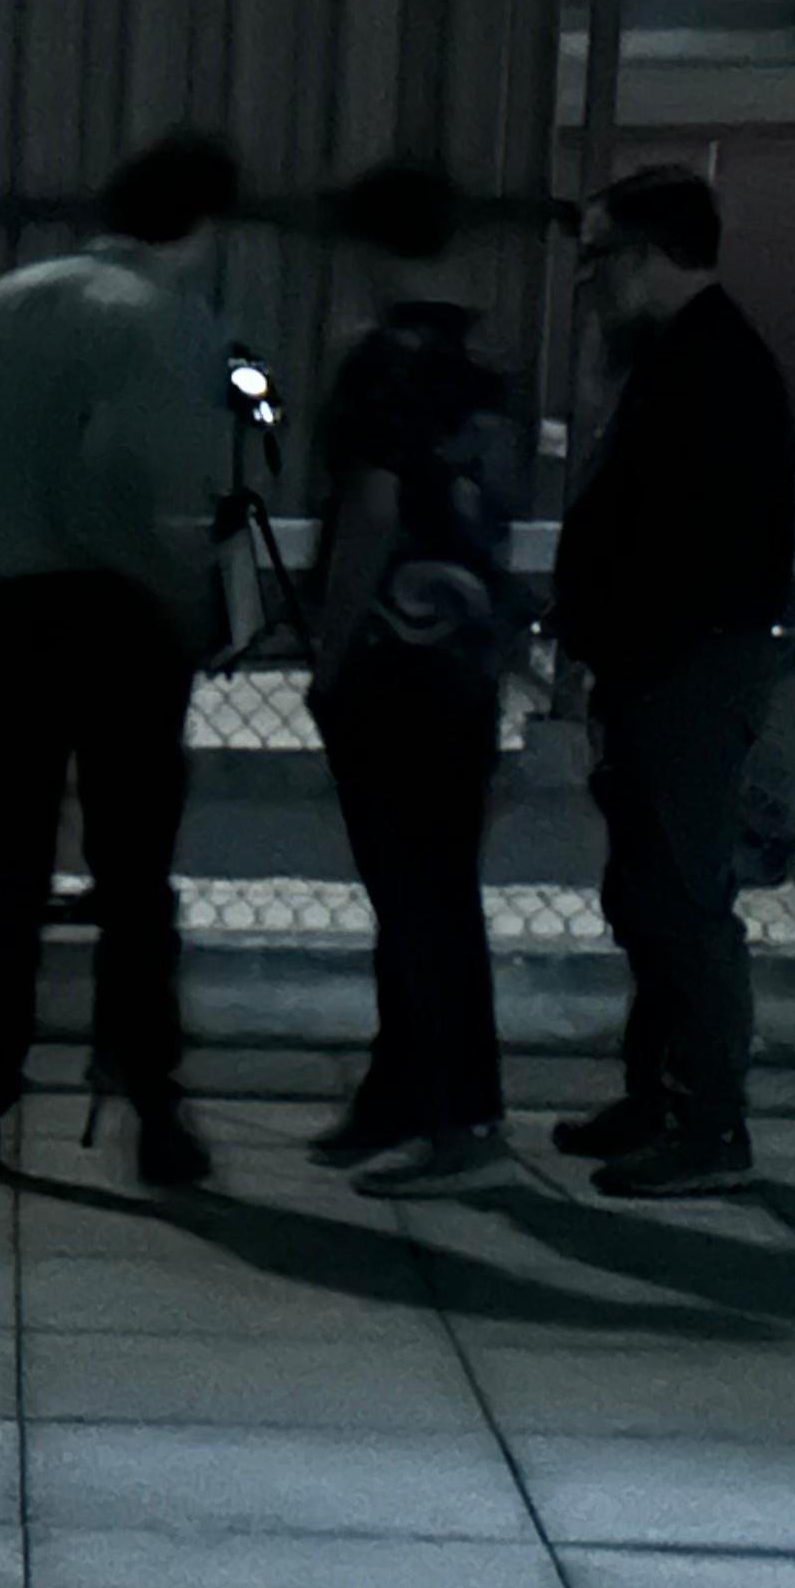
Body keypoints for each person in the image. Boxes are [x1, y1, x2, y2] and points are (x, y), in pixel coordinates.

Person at [0, 130, 246, 1192]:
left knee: (8, 873)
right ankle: (148, 1099)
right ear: (202, 225)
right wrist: (180, 590)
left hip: (8, 616)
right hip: (117, 621)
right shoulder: (160, 320)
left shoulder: (9, 303)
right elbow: (122, 476)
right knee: (133, 878)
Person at [549, 163, 795, 1198]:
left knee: (684, 900)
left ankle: (706, 1124)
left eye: (599, 258)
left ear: (648, 255)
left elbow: (684, 547)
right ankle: (660, 1101)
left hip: (683, 670)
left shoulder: (707, 370)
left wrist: (619, 642)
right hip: (666, 666)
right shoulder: (693, 359)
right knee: (653, 895)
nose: (588, 282)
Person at [302, 160, 530, 1197]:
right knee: (439, 884)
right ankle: (405, 1095)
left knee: (410, 894)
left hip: (390, 656)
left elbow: (371, 514)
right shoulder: (487, 368)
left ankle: (456, 1112)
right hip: (467, 655)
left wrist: (329, 649)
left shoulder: (379, 366)